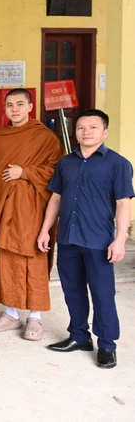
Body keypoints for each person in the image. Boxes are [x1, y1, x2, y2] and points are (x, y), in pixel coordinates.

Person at [39, 109, 133, 369]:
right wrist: (46, 229)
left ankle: (107, 345)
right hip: (68, 238)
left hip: (99, 241)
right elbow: (56, 198)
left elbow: (123, 203)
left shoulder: (118, 164)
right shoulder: (65, 163)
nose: (86, 132)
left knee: (103, 294)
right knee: (72, 290)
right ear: (75, 131)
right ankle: (79, 336)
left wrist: (120, 240)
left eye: (93, 127)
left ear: (105, 132)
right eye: (80, 127)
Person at [0, 89, 64, 341]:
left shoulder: (45, 137)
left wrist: (25, 172)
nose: (14, 109)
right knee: (5, 260)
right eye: (9, 105)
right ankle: (11, 314)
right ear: (4, 109)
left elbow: (57, 173)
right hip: (4, 210)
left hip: (32, 209)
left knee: (34, 258)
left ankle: (35, 318)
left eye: (19, 104)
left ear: (30, 106)